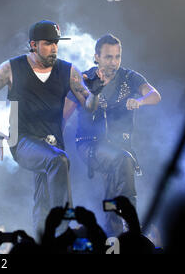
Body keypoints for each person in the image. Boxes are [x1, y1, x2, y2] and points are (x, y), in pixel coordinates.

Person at [0, 20, 100, 236]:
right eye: (48, 43)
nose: (54, 48)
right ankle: (65, 229)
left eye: (56, 44)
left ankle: (43, 243)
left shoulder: (68, 71)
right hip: (22, 140)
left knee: (43, 198)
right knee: (57, 161)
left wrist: (96, 93)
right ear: (33, 45)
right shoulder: (11, 68)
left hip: (53, 143)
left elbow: (88, 106)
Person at [63, 34, 161, 237]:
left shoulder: (129, 77)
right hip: (90, 146)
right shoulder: (84, 79)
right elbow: (63, 116)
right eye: (108, 57)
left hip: (120, 147)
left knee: (115, 181)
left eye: (117, 57)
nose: (114, 62)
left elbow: (155, 95)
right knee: (123, 162)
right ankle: (133, 228)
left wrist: (140, 101)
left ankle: (113, 234)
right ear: (96, 57)